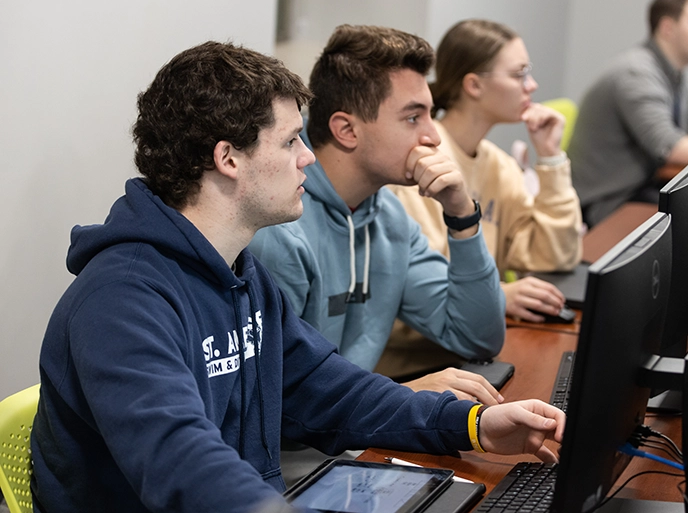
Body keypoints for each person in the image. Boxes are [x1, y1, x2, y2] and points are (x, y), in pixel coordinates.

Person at [30, 41, 565, 513]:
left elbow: (337, 393)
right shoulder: (121, 299)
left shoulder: (242, 277)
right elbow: (178, 459)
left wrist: (472, 425)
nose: (308, 157)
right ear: (228, 158)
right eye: (290, 142)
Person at [248, 25, 506, 405]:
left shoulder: (389, 217)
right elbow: (271, 400)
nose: (434, 136)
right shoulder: (280, 229)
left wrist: (462, 215)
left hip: (357, 434)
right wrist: (399, 395)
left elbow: (478, 337)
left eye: (430, 115)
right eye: (413, 117)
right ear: (346, 130)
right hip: (296, 459)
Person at [390, 19, 583, 323]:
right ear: (474, 85)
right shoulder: (421, 166)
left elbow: (552, 255)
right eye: (519, 75)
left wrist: (550, 157)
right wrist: (498, 294)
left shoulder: (498, 165)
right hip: (429, 353)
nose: (531, 86)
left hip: (472, 335)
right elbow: (418, 291)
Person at [568, 0, 688, 227]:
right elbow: (670, 146)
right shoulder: (637, 72)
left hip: (640, 188)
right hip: (607, 202)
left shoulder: (671, 72)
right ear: (667, 27)